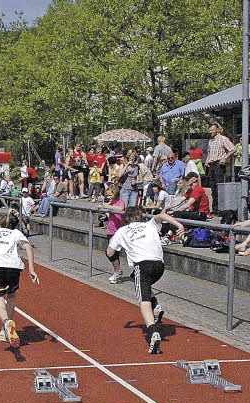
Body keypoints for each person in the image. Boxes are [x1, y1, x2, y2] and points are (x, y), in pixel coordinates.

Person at [106, 207, 185, 354]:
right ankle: (156, 306)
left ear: (126, 219)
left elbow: (110, 252)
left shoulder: (122, 231)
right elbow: (162, 215)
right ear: (140, 217)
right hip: (159, 266)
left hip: (142, 265)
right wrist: (180, 226)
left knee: (143, 299)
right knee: (138, 281)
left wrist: (116, 258)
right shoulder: (149, 224)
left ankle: (153, 331)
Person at [0, 211, 39, 347]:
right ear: (6, 223)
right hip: (14, 267)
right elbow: (28, 247)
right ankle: (6, 330)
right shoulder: (14, 233)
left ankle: (6, 322)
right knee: (11, 296)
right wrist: (31, 269)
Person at [99, 186, 127, 283]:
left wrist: (107, 206)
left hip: (120, 231)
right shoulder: (110, 203)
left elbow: (120, 208)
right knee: (111, 253)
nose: (109, 197)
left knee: (111, 252)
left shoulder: (121, 202)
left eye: (110, 195)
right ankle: (117, 271)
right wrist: (101, 207)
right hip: (111, 230)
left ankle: (118, 271)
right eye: (108, 195)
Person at [204, 123, 236, 194]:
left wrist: (225, 158)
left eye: (212, 130)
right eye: (210, 130)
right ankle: (214, 204)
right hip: (211, 164)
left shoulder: (223, 139)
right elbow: (209, 152)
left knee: (219, 185)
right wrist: (207, 161)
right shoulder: (211, 141)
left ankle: (220, 203)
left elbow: (233, 149)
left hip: (219, 164)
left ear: (217, 130)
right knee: (212, 186)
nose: (211, 132)